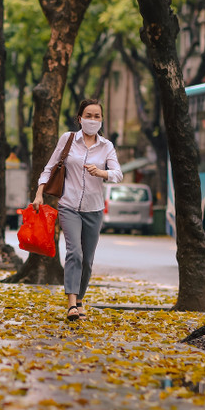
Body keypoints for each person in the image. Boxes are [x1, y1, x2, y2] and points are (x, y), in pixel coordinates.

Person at [31, 98, 123, 322]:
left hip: (94, 208)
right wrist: (39, 193)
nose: (93, 120)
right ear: (80, 118)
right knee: (75, 253)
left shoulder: (106, 146)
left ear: (101, 120)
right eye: (88, 116)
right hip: (69, 205)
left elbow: (118, 174)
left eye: (97, 116)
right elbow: (50, 167)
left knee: (88, 260)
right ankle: (72, 303)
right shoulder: (68, 139)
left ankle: (80, 300)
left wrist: (101, 173)